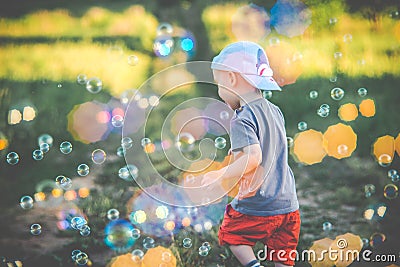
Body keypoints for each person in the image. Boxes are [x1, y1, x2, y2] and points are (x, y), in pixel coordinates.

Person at [201, 41, 300, 267]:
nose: (219, 92)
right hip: (288, 205)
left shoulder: (242, 118)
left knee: (231, 234)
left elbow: (253, 158)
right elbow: (267, 148)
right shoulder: (275, 111)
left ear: (232, 79)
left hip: (259, 204)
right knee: (281, 255)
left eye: (219, 84)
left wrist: (219, 174)